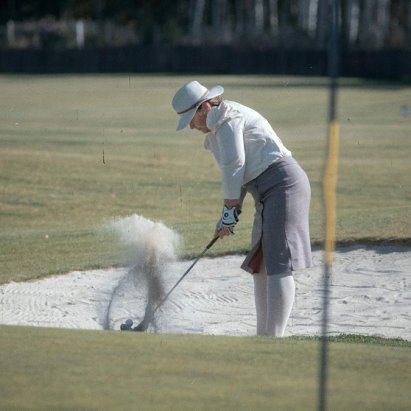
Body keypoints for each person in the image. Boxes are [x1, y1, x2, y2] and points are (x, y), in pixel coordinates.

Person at [172, 80, 312, 337]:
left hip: (284, 185)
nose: (191, 126)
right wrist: (229, 216)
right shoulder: (217, 127)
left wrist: (229, 213)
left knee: (278, 263)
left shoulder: (228, 119)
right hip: (266, 192)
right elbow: (242, 177)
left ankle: (274, 337)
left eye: (192, 118)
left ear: (204, 107)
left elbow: (235, 166)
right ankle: (263, 336)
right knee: (261, 265)